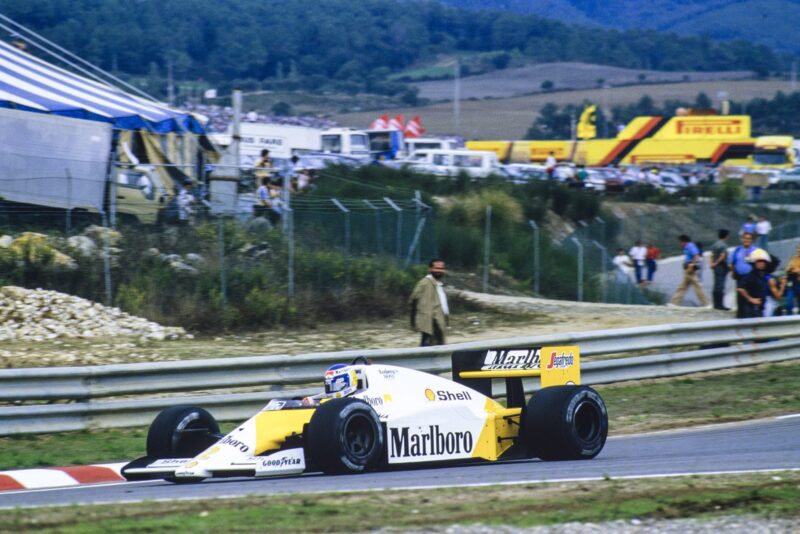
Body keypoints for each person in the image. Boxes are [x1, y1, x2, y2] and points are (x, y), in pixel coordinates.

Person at [409, 259, 449, 346]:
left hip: (438, 320)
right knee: (431, 344)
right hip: (429, 321)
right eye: (436, 268)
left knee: (432, 344)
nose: (439, 271)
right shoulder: (424, 283)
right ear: (430, 269)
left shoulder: (438, 284)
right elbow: (414, 299)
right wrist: (413, 319)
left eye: (441, 268)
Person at [736, 249, 780, 318]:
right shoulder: (751, 276)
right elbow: (740, 288)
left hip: (761, 309)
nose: (761, 263)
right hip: (751, 310)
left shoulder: (765, 276)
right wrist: (750, 299)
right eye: (758, 261)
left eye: (763, 262)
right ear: (754, 263)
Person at [670, 234, 710, 307]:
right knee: (682, 286)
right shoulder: (687, 247)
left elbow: (696, 256)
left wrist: (692, 265)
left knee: (697, 287)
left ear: (684, 241)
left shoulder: (690, 246)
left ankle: (706, 303)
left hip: (690, 268)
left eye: (680, 242)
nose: (680, 244)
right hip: (687, 268)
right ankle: (674, 303)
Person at [729, 232, 757, 318]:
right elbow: (732, 262)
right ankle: (740, 314)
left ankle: (750, 314)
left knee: (750, 295)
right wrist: (733, 272)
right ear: (742, 239)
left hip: (750, 277)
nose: (746, 240)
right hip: (739, 277)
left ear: (752, 240)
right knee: (740, 296)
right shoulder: (737, 250)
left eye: (749, 238)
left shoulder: (755, 250)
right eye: (745, 238)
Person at [709, 229, 731, 310]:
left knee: (716, 285)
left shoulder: (714, 245)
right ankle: (720, 304)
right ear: (726, 236)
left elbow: (711, 255)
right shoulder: (724, 245)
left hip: (715, 267)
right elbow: (723, 256)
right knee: (720, 286)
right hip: (721, 267)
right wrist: (717, 263)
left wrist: (712, 263)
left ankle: (715, 303)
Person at [783, 245, 800, 315]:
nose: (799, 250)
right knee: (789, 303)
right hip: (793, 283)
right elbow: (787, 269)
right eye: (798, 248)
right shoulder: (793, 259)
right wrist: (795, 270)